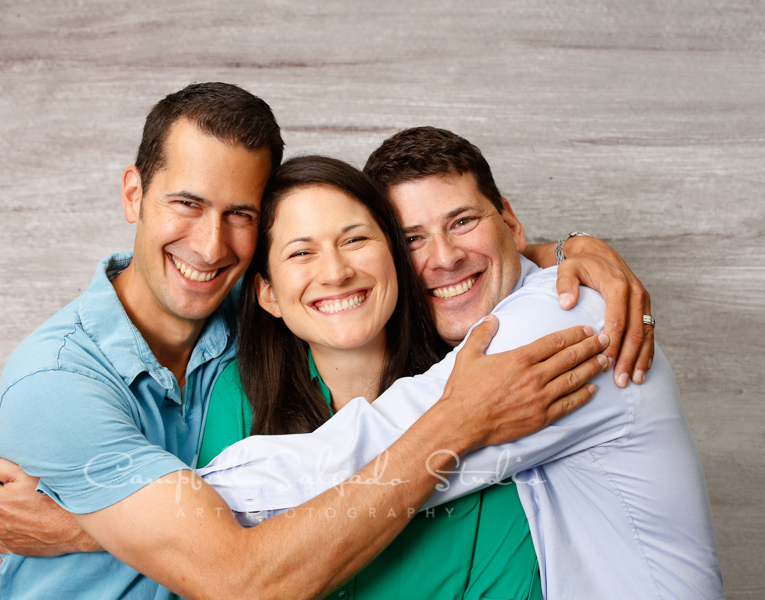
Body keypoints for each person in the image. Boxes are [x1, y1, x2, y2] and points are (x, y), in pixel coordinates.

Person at [0, 82, 648, 599]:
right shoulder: (56, 387)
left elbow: (426, 260)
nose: (210, 245)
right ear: (133, 193)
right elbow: (240, 580)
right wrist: (461, 419)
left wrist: (569, 252)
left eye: (240, 214)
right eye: (186, 204)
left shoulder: (246, 306)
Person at [196, 127, 725, 599]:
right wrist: (563, 246)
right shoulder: (238, 384)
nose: (444, 257)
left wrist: (148, 513)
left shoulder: (572, 316)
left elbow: (365, 457)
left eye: (464, 221)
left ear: (510, 222)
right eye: (412, 239)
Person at [197, 155, 542, 599]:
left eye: (356, 240)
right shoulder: (234, 396)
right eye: (301, 252)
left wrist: (570, 249)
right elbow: (214, 571)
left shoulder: (486, 390)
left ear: (395, 255)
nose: (337, 272)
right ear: (268, 293)